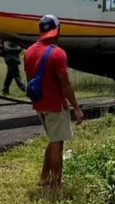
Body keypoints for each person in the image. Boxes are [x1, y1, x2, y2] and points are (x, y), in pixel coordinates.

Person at [24, 15, 83, 190]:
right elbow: (65, 84)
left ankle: (44, 177)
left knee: (53, 139)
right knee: (58, 142)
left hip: (39, 104)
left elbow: (29, 80)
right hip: (55, 105)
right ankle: (56, 183)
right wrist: (77, 108)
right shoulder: (58, 53)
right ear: (57, 30)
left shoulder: (29, 52)